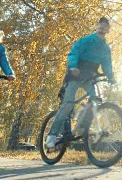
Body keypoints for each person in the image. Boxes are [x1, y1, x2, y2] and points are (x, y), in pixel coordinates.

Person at [45, 17, 116, 150]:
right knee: (68, 104)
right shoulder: (86, 40)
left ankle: (83, 126)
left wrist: (111, 77)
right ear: (97, 26)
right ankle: (52, 135)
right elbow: (73, 53)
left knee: (95, 100)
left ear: (108, 30)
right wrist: (73, 66)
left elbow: (107, 64)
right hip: (75, 75)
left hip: (90, 77)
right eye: (100, 24)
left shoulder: (106, 48)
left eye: (105, 26)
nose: (102, 27)